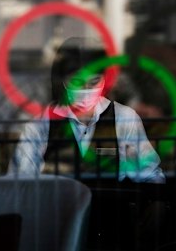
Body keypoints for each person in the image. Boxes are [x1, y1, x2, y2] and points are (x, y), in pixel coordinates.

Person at [9, 37, 165, 183]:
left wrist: (153, 202)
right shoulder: (42, 124)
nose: (85, 89)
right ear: (62, 82)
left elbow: (150, 173)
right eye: (77, 82)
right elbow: (22, 178)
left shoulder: (123, 118)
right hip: (59, 208)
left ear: (105, 81)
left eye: (94, 82)